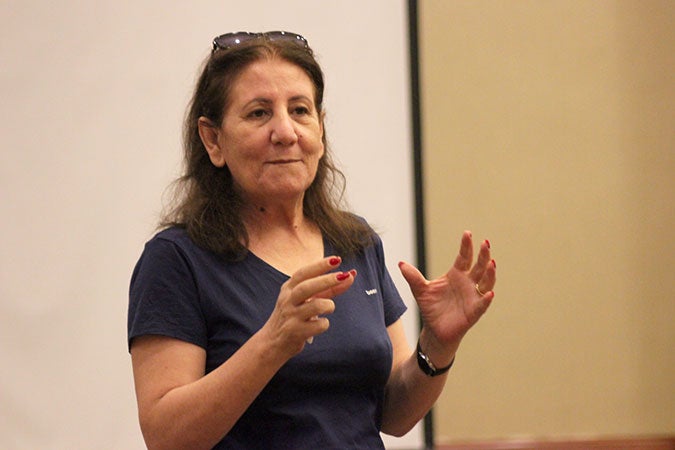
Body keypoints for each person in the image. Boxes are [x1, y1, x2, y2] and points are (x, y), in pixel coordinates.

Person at [127, 31, 497, 450]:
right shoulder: (177, 260)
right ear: (213, 139)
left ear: (320, 129)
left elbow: (393, 415)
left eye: (300, 110)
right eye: (258, 114)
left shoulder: (355, 242)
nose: (285, 132)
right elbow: (166, 436)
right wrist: (272, 343)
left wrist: (438, 345)